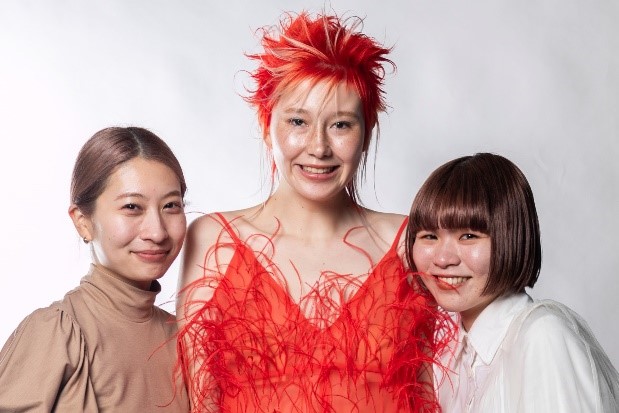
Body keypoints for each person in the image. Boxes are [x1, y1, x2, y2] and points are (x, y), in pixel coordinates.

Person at [176, 11, 449, 413]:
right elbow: (200, 402)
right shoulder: (214, 239)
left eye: (341, 125)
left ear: (367, 132)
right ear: (266, 125)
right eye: (298, 121)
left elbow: (428, 394)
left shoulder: (408, 242)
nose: (319, 147)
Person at [406, 152, 619, 412]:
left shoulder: (542, 336)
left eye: (469, 236)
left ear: (511, 237)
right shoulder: (450, 357)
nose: (443, 259)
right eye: (429, 236)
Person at [0, 127, 190, 412]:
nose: (157, 232)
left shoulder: (188, 340)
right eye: (132, 207)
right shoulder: (56, 332)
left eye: (171, 206)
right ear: (82, 221)